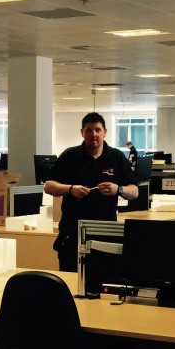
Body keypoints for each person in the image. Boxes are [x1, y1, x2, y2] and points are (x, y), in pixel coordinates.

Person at [44, 112, 138, 273]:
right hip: (73, 234)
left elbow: (134, 191)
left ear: (105, 132)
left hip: (106, 234)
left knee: (104, 282)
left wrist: (118, 189)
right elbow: (48, 186)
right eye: (88, 130)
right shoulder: (69, 155)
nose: (93, 134)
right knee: (71, 281)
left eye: (97, 130)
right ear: (82, 132)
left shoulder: (116, 157)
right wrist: (70, 189)